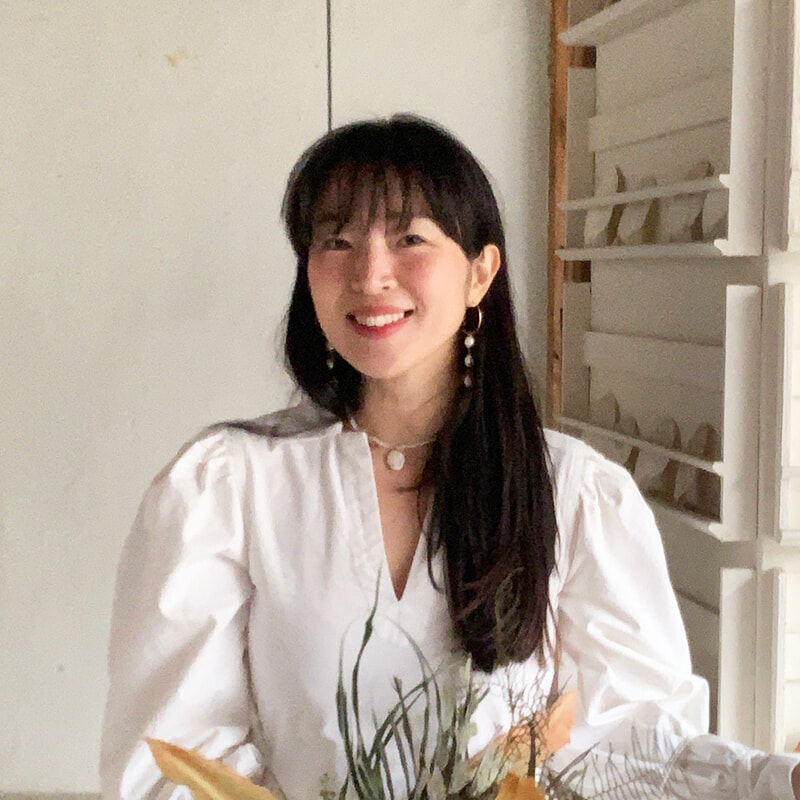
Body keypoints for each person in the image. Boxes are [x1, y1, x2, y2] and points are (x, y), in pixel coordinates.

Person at [100, 115, 800, 800]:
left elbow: (627, 750)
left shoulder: (576, 495)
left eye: (409, 238)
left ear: (479, 273)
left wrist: (774, 781)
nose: (370, 274)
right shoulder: (227, 488)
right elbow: (174, 762)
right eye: (336, 241)